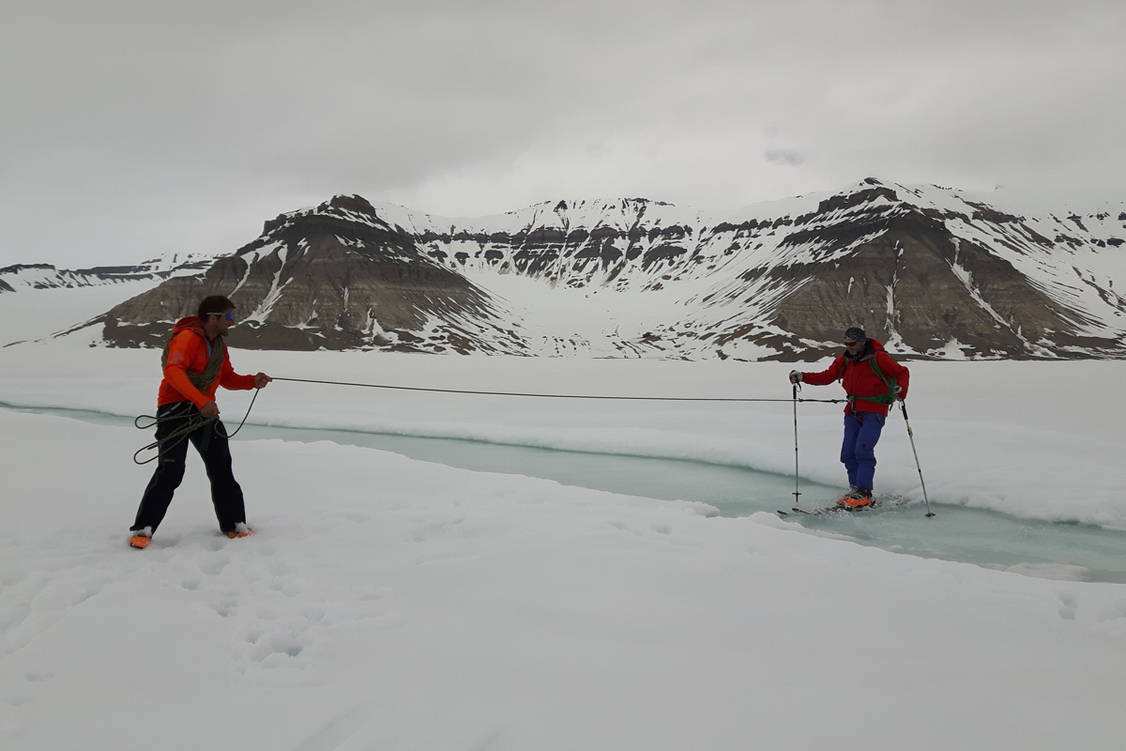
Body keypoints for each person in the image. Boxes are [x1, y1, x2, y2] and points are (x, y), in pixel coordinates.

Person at [128, 295, 272, 549]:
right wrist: (201, 401)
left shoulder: (218, 346)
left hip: (204, 412)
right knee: (171, 471)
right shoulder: (188, 338)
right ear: (212, 317)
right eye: (228, 317)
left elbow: (227, 378)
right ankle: (143, 528)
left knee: (221, 467)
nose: (232, 321)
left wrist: (252, 381)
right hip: (175, 411)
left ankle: (234, 524)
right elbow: (172, 371)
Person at [788, 327, 909, 508]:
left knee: (863, 450)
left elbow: (902, 372)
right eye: (845, 344)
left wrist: (901, 390)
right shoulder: (846, 360)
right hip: (852, 411)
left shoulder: (878, 358)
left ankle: (865, 493)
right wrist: (803, 377)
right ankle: (855, 491)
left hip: (875, 411)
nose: (848, 347)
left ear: (862, 341)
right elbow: (828, 376)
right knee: (847, 454)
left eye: (851, 344)